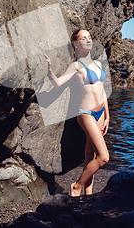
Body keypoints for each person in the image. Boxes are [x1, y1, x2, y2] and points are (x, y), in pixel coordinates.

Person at [43, 29, 110, 197]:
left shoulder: (98, 64)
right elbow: (58, 83)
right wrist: (49, 70)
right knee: (103, 157)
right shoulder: (76, 66)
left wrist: (107, 114)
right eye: (83, 38)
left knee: (91, 155)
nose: (88, 40)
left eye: (89, 37)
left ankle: (89, 193)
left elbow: (102, 90)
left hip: (101, 113)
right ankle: (77, 186)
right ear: (76, 44)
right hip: (86, 113)